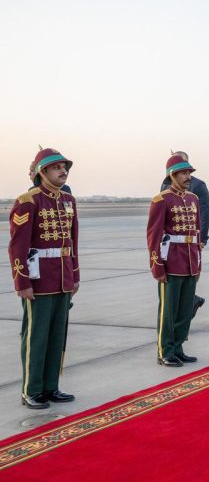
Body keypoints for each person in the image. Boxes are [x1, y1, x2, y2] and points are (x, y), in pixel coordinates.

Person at [9, 148, 79, 408]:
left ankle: (51, 386)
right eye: (57, 167)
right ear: (43, 172)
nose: (63, 171)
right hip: (38, 280)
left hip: (62, 278)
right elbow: (18, 246)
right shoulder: (28, 201)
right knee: (36, 336)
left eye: (65, 167)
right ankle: (32, 390)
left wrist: (74, 275)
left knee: (57, 335)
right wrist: (22, 281)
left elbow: (73, 241)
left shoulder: (68, 201)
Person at [146, 154, 202, 366]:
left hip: (189, 261)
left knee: (185, 309)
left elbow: (196, 232)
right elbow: (154, 235)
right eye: (184, 173)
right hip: (171, 262)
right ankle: (165, 350)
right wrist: (157, 264)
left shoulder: (193, 199)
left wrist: (198, 262)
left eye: (189, 173)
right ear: (172, 175)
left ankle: (178, 346)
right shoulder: (161, 200)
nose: (188, 177)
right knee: (168, 311)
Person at [161, 151, 209, 318]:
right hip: (173, 249)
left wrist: (202, 239)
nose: (187, 174)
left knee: (190, 281)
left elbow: (204, 212)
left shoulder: (199, 186)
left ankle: (189, 306)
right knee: (172, 295)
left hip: (192, 243)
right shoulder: (165, 188)